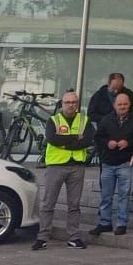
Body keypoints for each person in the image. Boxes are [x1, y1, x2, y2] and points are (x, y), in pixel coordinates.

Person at [34, 90, 92, 250]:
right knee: (48, 203)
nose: (71, 105)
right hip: (56, 166)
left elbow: (87, 140)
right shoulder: (53, 120)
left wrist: (64, 143)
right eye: (68, 102)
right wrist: (75, 138)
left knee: (74, 204)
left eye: (74, 102)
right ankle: (42, 237)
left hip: (77, 166)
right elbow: (52, 139)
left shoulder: (84, 120)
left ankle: (73, 237)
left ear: (77, 104)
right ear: (62, 103)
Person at [90, 88, 133, 237]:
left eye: (125, 104)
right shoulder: (106, 120)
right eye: (120, 104)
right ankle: (105, 223)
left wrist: (129, 143)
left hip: (125, 163)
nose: (123, 107)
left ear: (129, 105)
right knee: (106, 196)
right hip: (108, 163)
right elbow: (97, 138)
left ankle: (122, 223)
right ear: (114, 105)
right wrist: (108, 143)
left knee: (123, 196)